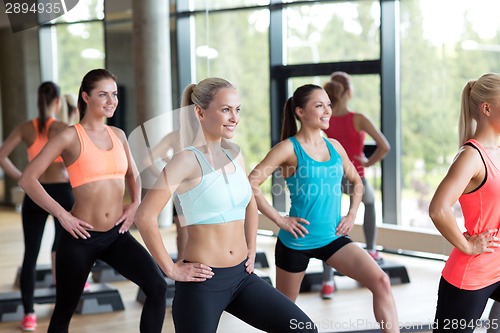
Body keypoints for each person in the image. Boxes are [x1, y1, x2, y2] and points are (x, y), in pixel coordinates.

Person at [134, 77, 318, 333]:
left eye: (237, 110)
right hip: (203, 282)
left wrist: (251, 248)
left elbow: (250, 203)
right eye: (225, 110)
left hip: (242, 276)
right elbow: (145, 216)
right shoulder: (185, 160)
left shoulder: (235, 154)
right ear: (199, 111)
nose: (234, 117)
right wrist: (171, 269)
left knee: (303, 329)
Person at [18, 69, 167, 333]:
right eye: (103, 95)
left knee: (157, 286)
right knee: (64, 313)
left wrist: (134, 205)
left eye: (114, 94)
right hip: (80, 238)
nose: (111, 101)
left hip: (116, 234)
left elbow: (134, 175)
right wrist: (62, 215)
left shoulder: (119, 135)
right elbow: (28, 179)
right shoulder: (68, 136)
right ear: (86, 97)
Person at [248, 84, 400, 333]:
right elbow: (251, 183)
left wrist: (352, 214)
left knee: (381, 281)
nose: (327, 110)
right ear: (300, 111)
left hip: (332, 237)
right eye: (319, 105)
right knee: (284, 315)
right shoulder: (288, 148)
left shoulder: (334, 147)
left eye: (328, 104)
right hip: (296, 242)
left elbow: (357, 182)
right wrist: (280, 220)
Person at [429, 73, 500, 333]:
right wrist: (467, 246)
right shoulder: (472, 156)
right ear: (487, 108)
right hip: (473, 273)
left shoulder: (498, 152)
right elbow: (438, 208)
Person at [0, 81, 74, 331]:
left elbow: (1, 156)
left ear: (38, 101)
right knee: (61, 250)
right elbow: (75, 161)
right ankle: (63, 306)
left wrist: (23, 176)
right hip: (62, 193)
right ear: (56, 102)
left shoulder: (25, 128)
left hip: (35, 193)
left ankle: (29, 315)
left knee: (30, 255)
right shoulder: (63, 128)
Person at [321, 71, 391, 297]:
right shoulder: (358, 118)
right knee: (369, 204)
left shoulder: (324, 120)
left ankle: (327, 282)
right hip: (355, 176)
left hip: (331, 177)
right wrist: (368, 162)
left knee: (331, 224)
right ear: (348, 92)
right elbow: (385, 146)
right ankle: (370, 249)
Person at [146, 129, 188, 260]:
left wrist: (171, 176)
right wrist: (170, 179)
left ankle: (182, 271)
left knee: (183, 238)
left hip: (184, 192)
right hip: (189, 192)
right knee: (185, 238)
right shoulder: (207, 134)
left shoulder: (176, 136)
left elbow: (148, 160)